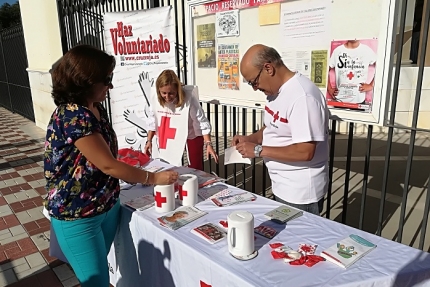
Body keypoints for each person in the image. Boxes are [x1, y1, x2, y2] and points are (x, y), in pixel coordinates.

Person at [44, 45, 178, 287]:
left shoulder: (95, 108)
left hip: (106, 206)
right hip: (78, 216)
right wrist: (154, 178)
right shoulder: (72, 115)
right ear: (83, 81)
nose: (111, 85)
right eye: (106, 79)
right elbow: (108, 165)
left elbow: (102, 158)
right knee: (97, 283)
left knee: (102, 275)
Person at [233, 44, 329, 215]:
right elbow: (273, 126)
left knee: (297, 240)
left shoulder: (303, 97)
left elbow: (305, 152)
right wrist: (251, 139)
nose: (255, 88)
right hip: (282, 186)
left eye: (254, 82)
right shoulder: (275, 92)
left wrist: (257, 150)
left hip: (300, 194)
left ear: (268, 68)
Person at [144, 69, 218, 170]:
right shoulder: (156, 99)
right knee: (167, 165)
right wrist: (149, 140)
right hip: (170, 137)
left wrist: (208, 143)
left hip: (191, 135)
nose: (167, 97)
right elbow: (153, 121)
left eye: (171, 93)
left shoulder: (189, 99)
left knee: (195, 168)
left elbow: (200, 121)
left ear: (177, 90)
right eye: (163, 93)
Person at [327, 40, 377, 106]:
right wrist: (329, 88)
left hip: (359, 101)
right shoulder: (338, 51)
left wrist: (371, 85)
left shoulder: (366, 50)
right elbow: (325, 70)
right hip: (339, 100)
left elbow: (381, 67)